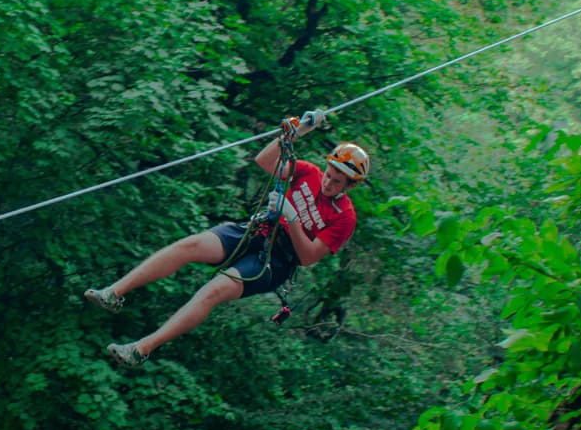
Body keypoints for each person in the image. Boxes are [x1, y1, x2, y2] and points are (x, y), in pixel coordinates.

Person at [83, 110, 369, 366]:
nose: (329, 183)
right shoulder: (309, 173)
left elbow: (307, 257)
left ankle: (141, 349)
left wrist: (292, 216)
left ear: (350, 186)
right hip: (258, 230)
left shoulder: (344, 216)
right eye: (330, 174)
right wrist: (298, 131)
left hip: (277, 261)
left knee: (213, 291)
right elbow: (265, 160)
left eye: (337, 181)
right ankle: (114, 293)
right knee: (190, 245)